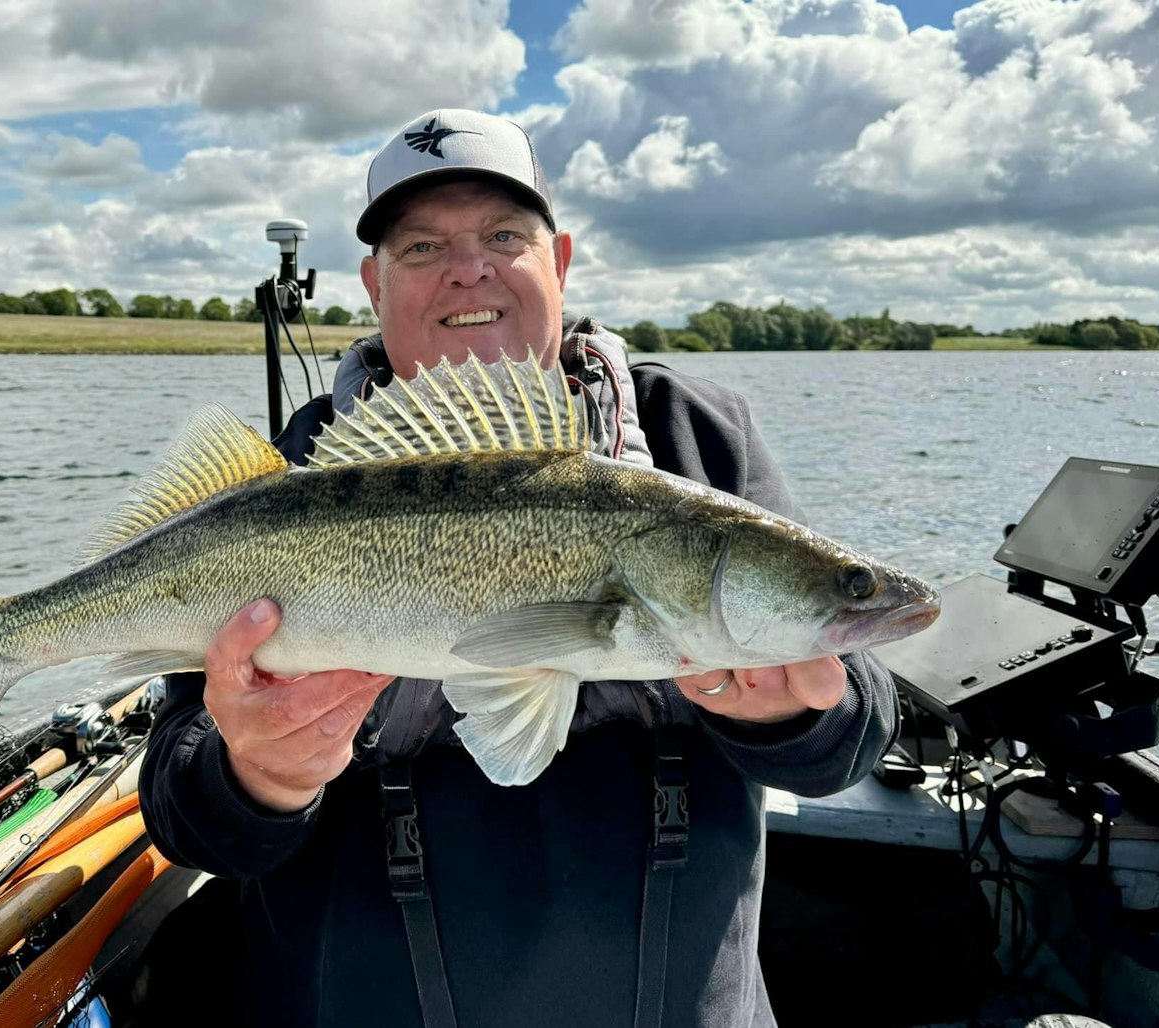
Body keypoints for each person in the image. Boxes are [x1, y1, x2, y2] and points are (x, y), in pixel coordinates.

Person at [136, 108, 898, 1027]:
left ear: (560, 261)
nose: (470, 268)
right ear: (375, 283)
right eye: (422, 247)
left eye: (504, 235)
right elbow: (186, 819)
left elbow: (856, 732)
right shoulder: (287, 482)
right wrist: (257, 776)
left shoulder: (694, 437)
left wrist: (795, 715)